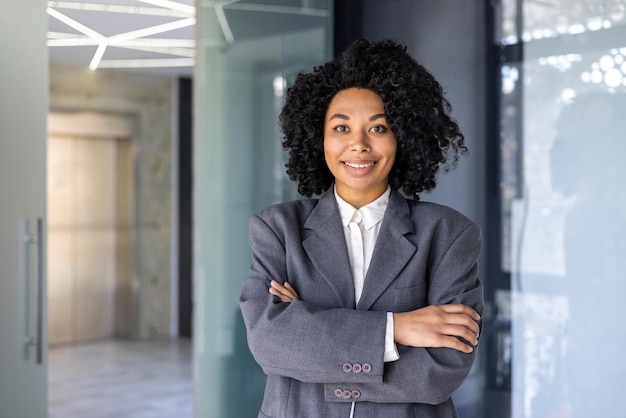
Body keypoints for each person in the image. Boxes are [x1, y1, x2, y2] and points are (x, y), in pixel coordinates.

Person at [239, 38, 483, 418]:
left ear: (402, 137)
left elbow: (441, 372)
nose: (358, 145)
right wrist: (396, 328)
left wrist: (309, 335)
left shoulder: (450, 234)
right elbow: (270, 342)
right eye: (340, 127)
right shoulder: (276, 230)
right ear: (319, 138)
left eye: (378, 128)